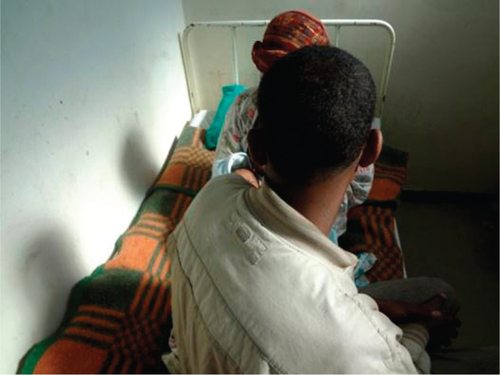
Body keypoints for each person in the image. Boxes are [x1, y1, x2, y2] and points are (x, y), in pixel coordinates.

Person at [165, 45, 460, 373]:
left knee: (437, 293)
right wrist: (420, 332)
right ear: (372, 150)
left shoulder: (210, 197)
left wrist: (377, 307)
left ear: (257, 147)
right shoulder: (352, 350)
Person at [212, 10, 375, 246]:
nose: (278, 92)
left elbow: (358, 188)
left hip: (315, 219)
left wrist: (323, 195)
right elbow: (221, 166)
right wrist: (243, 176)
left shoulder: (338, 118)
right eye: (271, 78)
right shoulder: (244, 109)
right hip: (253, 211)